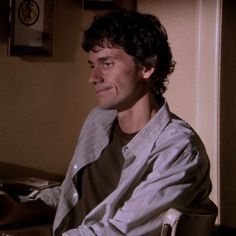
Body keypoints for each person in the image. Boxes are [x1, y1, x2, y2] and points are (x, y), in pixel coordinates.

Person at [0, 9, 216, 236]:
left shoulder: (178, 149)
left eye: (107, 64)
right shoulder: (98, 120)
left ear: (147, 67)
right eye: (92, 65)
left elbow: (118, 232)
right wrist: (17, 211)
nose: (93, 78)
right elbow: (75, 194)